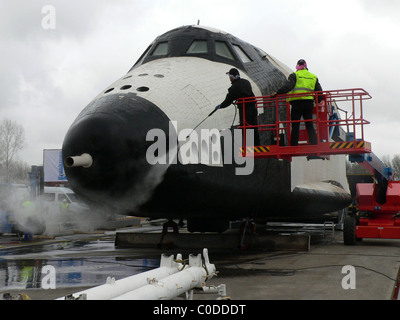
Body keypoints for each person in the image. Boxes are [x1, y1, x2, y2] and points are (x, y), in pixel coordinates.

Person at [274, 59, 323, 146]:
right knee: (309, 124)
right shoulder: (313, 77)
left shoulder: (295, 75)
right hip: (308, 103)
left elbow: (288, 86)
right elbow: (319, 92)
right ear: (306, 66)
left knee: (295, 124)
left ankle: (294, 144)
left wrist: (278, 93)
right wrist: (318, 101)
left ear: (297, 66)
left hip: (297, 103)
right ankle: (314, 142)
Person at [216, 68, 260, 146]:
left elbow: (228, 100)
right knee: (254, 126)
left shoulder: (233, 88)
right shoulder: (246, 82)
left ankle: (250, 146)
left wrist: (221, 106)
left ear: (233, 77)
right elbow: (245, 93)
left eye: (230, 76)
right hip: (253, 107)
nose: (229, 78)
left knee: (246, 127)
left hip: (245, 110)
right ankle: (257, 145)